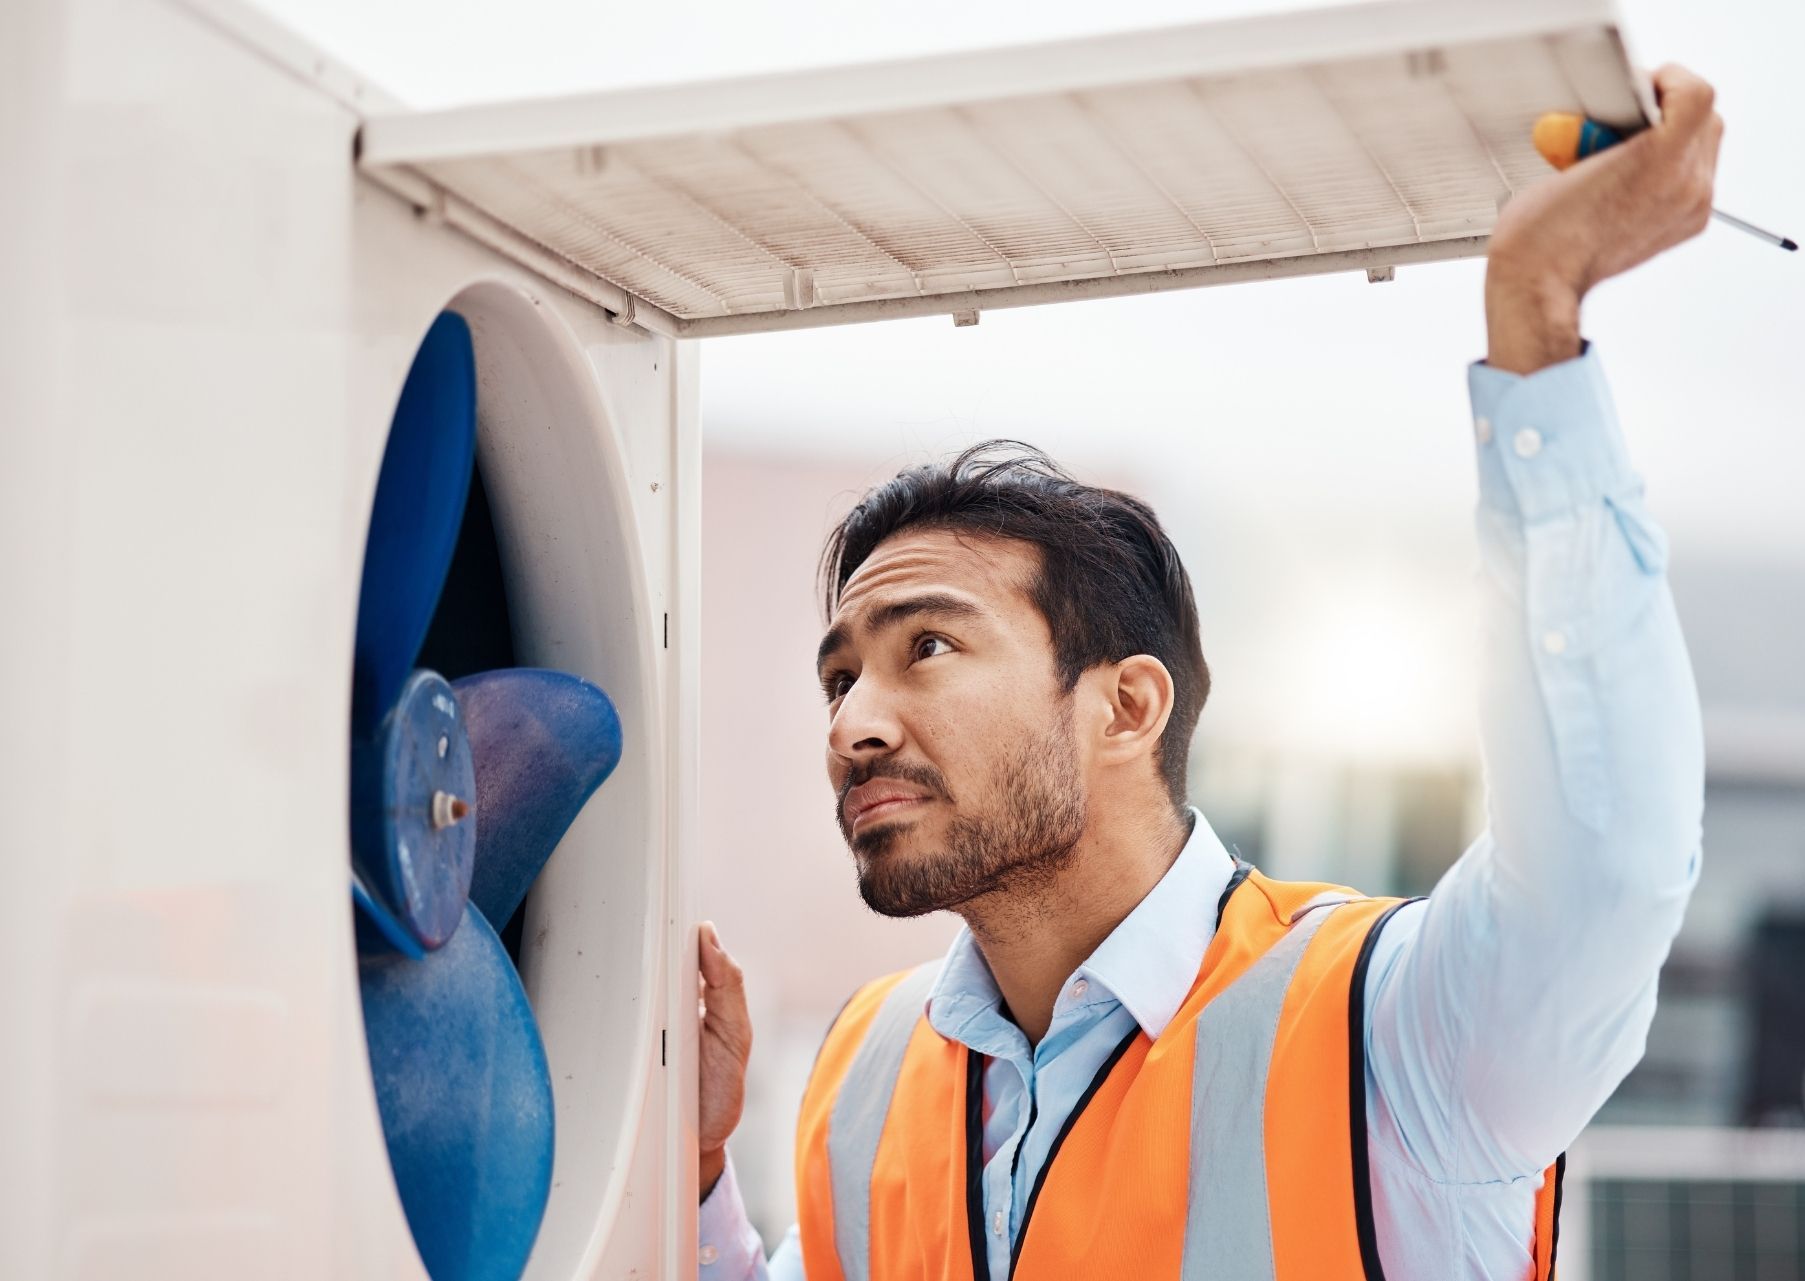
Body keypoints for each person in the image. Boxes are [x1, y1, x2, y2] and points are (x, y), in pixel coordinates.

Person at [694, 63, 1719, 1281]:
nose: (856, 723)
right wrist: (697, 1176)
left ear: (1127, 705)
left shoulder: (1392, 1037)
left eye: (927, 647)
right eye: (838, 679)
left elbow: (1607, 863)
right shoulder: (861, 1069)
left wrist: (1538, 323)